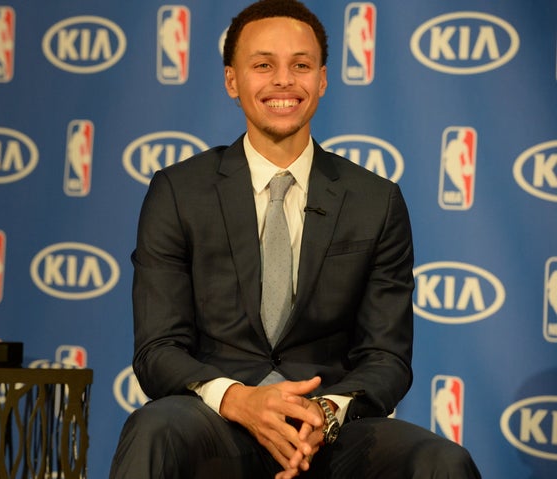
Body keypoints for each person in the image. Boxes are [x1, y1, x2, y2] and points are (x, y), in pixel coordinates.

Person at [110, 1, 482, 477]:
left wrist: (324, 413)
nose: (283, 80)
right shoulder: (179, 192)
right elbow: (157, 350)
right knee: (153, 429)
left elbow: (386, 356)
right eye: (263, 65)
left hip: (330, 429)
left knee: (442, 461)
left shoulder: (376, 200)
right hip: (216, 418)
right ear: (232, 80)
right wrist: (241, 401)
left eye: (300, 66)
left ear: (322, 80)